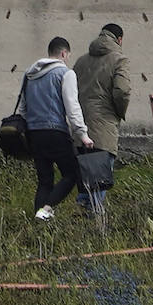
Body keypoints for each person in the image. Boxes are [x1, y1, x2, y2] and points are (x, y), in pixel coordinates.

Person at [23, 37, 93, 221]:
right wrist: (82, 134)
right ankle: (46, 209)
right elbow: (72, 106)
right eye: (67, 55)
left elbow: (24, 108)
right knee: (71, 174)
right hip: (55, 131)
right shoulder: (65, 73)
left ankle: (39, 220)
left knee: (45, 181)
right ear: (64, 53)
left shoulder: (29, 75)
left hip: (33, 133)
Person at [72, 23, 131, 214]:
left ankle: (80, 223)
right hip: (104, 127)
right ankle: (95, 226)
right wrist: (119, 112)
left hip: (80, 128)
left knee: (85, 181)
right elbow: (122, 91)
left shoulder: (80, 62)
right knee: (99, 183)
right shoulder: (119, 60)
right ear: (119, 39)